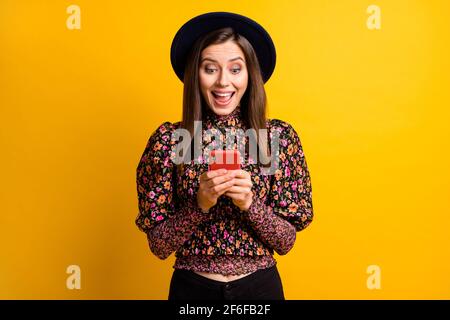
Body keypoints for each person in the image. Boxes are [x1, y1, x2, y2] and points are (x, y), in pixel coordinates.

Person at [135, 12, 313, 300]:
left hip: (259, 290)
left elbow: (285, 241)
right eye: (210, 69)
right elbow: (159, 246)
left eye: (234, 69)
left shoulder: (274, 138)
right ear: (196, 74)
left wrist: (250, 204)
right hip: (192, 291)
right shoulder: (173, 140)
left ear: (249, 74)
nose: (222, 82)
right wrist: (200, 204)